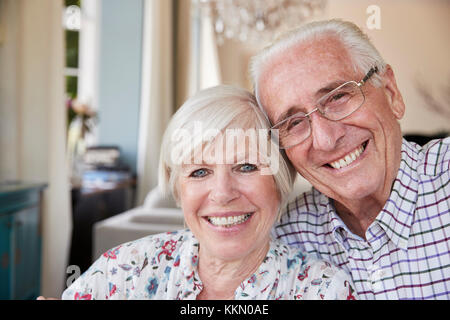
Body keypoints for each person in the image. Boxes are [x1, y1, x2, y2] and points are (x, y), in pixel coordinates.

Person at [61, 85, 356, 300]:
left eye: (246, 167)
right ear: (178, 188)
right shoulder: (122, 270)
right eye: (199, 172)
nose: (222, 193)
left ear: (279, 182)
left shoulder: (324, 290)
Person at [250, 19, 450, 300]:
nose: (325, 139)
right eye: (294, 123)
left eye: (337, 97)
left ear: (391, 92)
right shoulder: (282, 237)